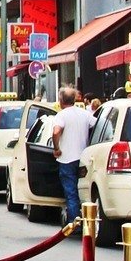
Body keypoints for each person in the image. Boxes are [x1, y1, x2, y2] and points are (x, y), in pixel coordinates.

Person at [51, 86, 96, 229]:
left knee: (71, 191)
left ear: (61, 100)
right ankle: (88, 219)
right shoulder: (85, 114)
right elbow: (97, 125)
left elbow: (56, 131)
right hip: (84, 157)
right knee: (84, 188)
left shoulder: (61, 115)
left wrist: (57, 148)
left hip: (67, 158)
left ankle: (74, 223)